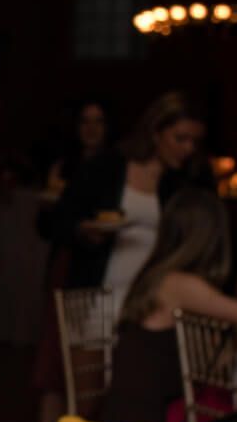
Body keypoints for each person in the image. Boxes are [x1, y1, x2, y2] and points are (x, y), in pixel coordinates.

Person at [99, 186, 237, 422]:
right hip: (146, 417)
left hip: (142, 406)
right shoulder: (177, 284)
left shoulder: (161, 277)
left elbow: (209, 359)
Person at [52, 91, 209, 320]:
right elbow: (58, 221)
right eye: (180, 138)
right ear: (156, 133)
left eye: (194, 141)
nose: (188, 149)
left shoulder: (186, 183)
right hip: (99, 294)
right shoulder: (107, 167)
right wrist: (84, 230)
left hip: (151, 304)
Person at [25, 98, 113, 422]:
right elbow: (47, 227)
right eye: (84, 120)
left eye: (98, 121)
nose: (91, 128)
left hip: (99, 271)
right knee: (54, 356)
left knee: (88, 359)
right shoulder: (67, 167)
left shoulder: (114, 170)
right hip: (67, 266)